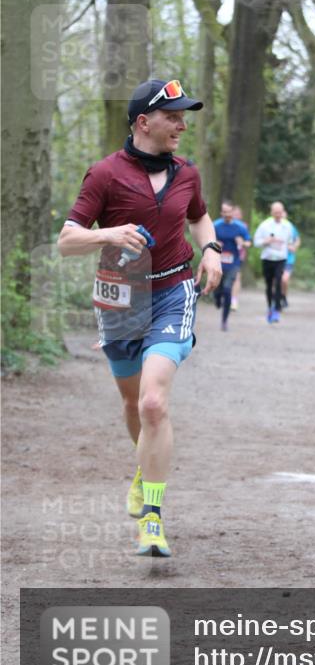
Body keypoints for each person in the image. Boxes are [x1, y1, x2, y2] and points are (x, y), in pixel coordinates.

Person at [57, 78, 222, 558]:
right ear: (143, 122)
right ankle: (142, 465)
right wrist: (108, 233)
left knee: (153, 403)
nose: (182, 125)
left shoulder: (186, 173)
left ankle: (152, 516)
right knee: (133, 406)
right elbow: (68, 239)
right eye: (173, 116)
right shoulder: (105, 175)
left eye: (184, 116)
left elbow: (199, 216)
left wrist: (210, 250)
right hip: (120, 299)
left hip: (174, 290)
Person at [212, 199, 251, 330]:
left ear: (233, 212)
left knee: (228, 289)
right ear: (221, 212)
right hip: (218, 262)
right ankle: (216, 298)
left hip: (233, 263)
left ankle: (224, 321)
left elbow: (248, 242)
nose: (226, 214)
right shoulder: (215, 225)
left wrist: (242, 242)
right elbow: (208, 241)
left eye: (229, 212)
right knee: (218, 289)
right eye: (224, 212)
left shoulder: (240, 227)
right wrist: (215, 243)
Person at [253, 201, 294, 323]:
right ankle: (270, 306)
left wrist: (288, 246)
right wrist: (267, 241)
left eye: (280, 212)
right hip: (267, 258)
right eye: (275, 212)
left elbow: (289, 241)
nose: (278, 214)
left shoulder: (287, 226)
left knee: (278, 282)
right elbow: (256, 242)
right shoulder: (264, 225)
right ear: (271, 212)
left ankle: (276, 309)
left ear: (283, 212)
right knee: (269, 284)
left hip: (281, 259)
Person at [280, 207, 301, 308]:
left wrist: (294, 247)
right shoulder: (273, 227)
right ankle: (277, 298)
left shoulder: (290, 227)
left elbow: (297, 239)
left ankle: (283, 296)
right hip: (276, 258)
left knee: (284, 279)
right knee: (277, 280)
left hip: (289, 259)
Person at [230, 204, 248, 311]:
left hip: (238, 256)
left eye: (238, 214)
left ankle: (234, 300)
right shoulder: (221, 225)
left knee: (236, 277)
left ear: (241, 216)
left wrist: (242, 242)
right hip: (224, 256)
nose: (236, 216)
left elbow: (247, 241)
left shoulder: (243, 226)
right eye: (234, 213)